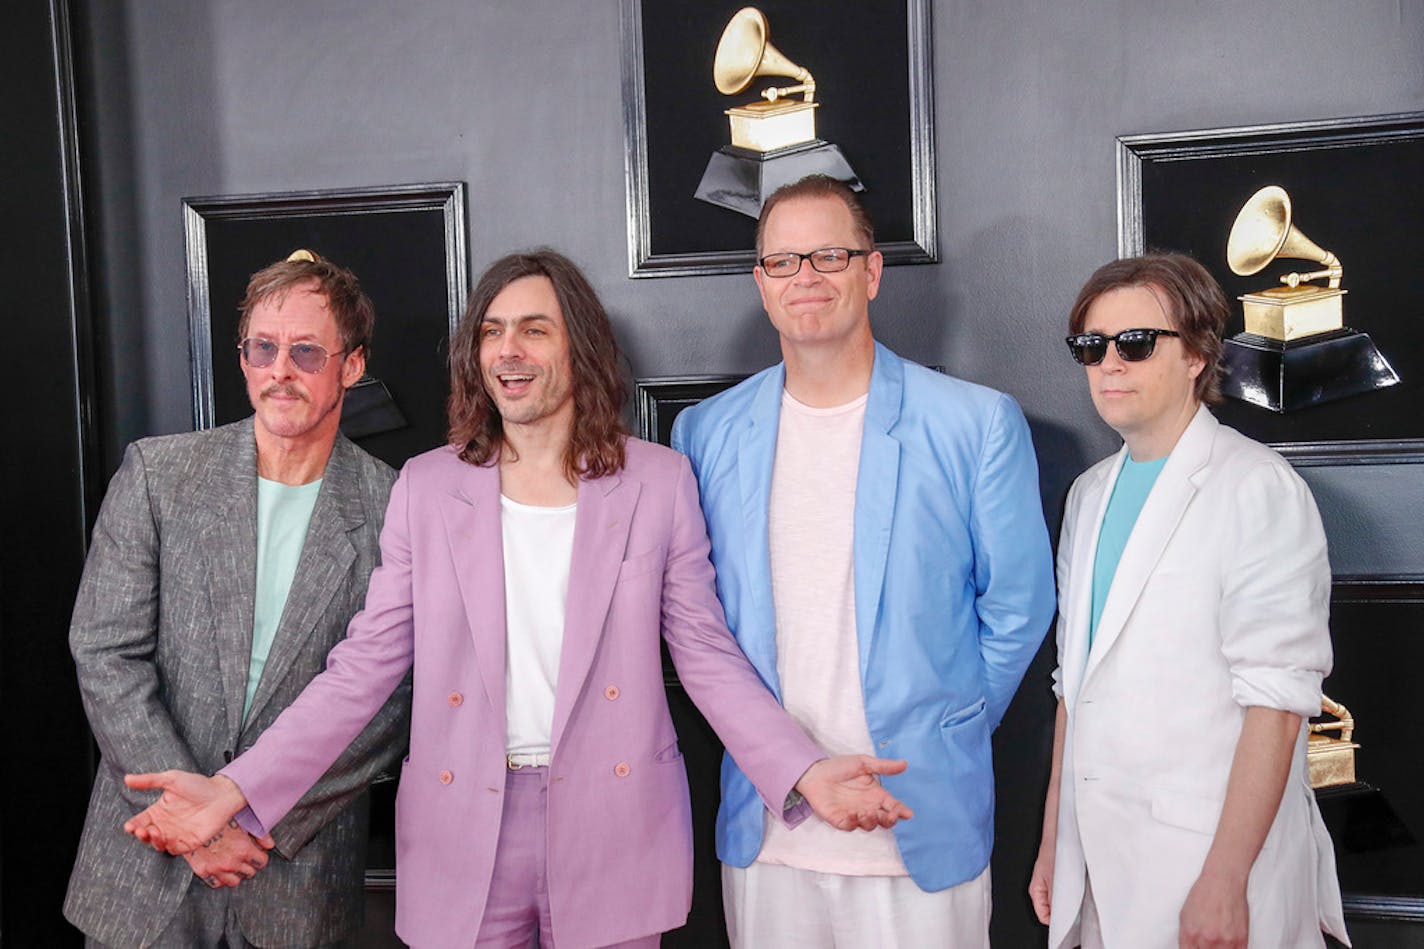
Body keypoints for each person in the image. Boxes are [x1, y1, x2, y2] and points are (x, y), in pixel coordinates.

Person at [121, 249, 913, 948]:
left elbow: (705, 655)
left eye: (534, 328)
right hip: (462, 830)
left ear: (580, 347)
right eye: (493, 330)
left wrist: (802, 769)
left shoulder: (657, 483)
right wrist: (235, 788)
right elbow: (358, 672)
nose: (509, 348)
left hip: (616, 825)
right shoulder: (428, 490)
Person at [671, 175, 1057, 947]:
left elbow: (1020, 605)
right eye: (782, 261)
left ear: (871, 272)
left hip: (918, 825)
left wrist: (944, 731)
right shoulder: (704, 434)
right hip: (770, 830)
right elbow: (699, 629)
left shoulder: (975, 424)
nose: (805, 278)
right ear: (760, 282)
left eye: (828, 255)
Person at [65, 251, 411, 947]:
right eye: (263, 347)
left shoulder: (396, 504)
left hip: (293, 871)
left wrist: (249, 814)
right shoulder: (160, 475)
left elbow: (389, 700)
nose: (280, 370)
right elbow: (105, 653)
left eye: (307, 351)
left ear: (351, 365)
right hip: (144, 865)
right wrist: (190, 822)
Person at [1028, 253, 1350, 948]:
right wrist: (1059, 834)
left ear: (1199, 353)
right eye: (1091, 346)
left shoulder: (1258, 487)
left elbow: (1278, 701)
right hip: (1106, 862)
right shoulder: (1087, 496)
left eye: (1135, 342)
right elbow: (1073, 687)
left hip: (1212, 859)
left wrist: (1226, 876)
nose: (1109, 363)